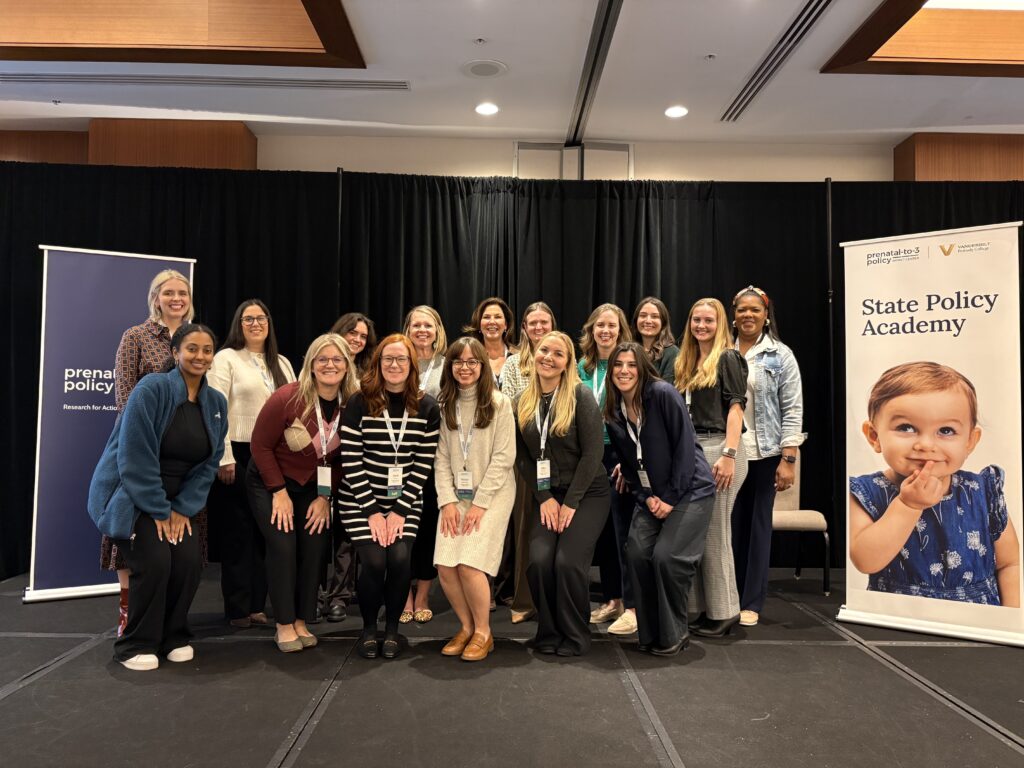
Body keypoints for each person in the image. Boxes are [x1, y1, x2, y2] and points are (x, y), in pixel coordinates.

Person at [88, 324, 227, 671]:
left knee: (189, 561)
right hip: (133, 497)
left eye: (207, 350)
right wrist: (159, 509)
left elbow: (209, 463)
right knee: (156, 562)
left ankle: (172, 635)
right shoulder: (152, 389)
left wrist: (182, 508)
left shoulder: (216, 402)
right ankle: (135, 643)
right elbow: (134, 457)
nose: (200, 356)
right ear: (176, 352)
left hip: (178, 503)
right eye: (192, 349)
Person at [849, 362, 1020, 607]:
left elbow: (1009, 563)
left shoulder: (982, 492)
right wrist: (908, 506)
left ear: (970, 441)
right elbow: (865, 560)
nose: (926, 445)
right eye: (906, 428)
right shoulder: (867, 493)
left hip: (979, 619)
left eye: (946, 431)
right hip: (900, 617)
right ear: (874, 436)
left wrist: (1011, 618)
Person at [248, 333, 358, 652]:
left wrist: (325, 497)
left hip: (315, 487)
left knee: (315, 547)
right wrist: (278, 491)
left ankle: (300, 620)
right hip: (270, 483)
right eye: (322, 359)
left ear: (347, 365)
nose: (329, 365)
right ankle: (283, 624)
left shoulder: (352, 404)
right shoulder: (287, 397)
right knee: (283, 547)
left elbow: (343, 459)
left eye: (337, 359)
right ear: (311, 364)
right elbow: (260, 446)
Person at [604, 342, 716, 655]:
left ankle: (675, 633)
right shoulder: (613, 412)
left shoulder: (663, 394)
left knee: (667, 557)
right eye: (618, 365)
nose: (624, 371)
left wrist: (669, 497)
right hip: (652, 496)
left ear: (642, 368)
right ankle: (651, 634)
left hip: (691, 490)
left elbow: (685, 448)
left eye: (631, 365)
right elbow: (629, 465)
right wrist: (646, 496)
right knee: (637, 552)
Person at [103, 268, 195, 637]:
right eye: (168, 292)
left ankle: (170, 618)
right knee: (133, 531)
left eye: (182, 293)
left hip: (183, 455)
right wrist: (143, 442)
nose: (176, 299)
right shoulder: (136, 336)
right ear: (155, 298)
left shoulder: (195, 338)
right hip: (142, 449)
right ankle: (128, 612)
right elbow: (125, 397)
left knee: (178, 542)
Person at [338, 334, 441, 659]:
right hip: (360, 500)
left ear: (412, 364)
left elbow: (422, 464)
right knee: (374, 561)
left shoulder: (427, 406)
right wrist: (372, 511)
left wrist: (398, 510)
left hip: (404, 502)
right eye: (388, 359)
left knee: (399, 560)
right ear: (378, 363)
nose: (394, 365)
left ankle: (393, 629)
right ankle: (370, 629)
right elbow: (351, 460)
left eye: (401, 359)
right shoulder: (358, 402)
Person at [515, 331, 608, 656]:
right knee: (539, 562)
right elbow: (522, 458)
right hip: (548, 495)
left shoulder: (581, 395)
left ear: (568, 363)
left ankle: (575, 635)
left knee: (568, 563)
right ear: (534, 353)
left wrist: (570, 503)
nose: (549, 358)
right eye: (544, 350)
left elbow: (593, 453)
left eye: (558, 354)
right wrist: (545, 498)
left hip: (588, 493)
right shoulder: (521, 401)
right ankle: (549, 631)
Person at [208, 300, 296, 629]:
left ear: (269, 323)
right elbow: (215, 408)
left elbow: (295, 408)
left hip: (276, 454)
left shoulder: (282, 363)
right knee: (238, 533)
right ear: (239, 324)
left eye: (261, 318)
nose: (256, 324)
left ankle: (258, 605)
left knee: (267, 534)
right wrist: (225, 456)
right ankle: (237, 608)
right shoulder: (226, 358)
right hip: (239, 453)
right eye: (248, 319)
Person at [433, 338, 517, 661]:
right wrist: (446, 501)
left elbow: (504, 458)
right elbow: (441, 458)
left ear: (482, 366)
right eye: (458, 362)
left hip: (493, 495)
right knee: (445, 565)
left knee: (469, 564)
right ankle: (466, 627)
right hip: (456, 496)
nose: (464, 368)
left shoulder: (499, 403)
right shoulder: (446, 404)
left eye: (472, 362)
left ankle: (484, 631)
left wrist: (480, 504)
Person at [730, 286, 806, 628]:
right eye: (742, 310)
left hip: (764, 453)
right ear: (734, 316)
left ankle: (750, 602)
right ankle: (725, 597)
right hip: (728, 454)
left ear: (765, 316)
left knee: (756, 529)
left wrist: (788, 459)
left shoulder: (781, 355)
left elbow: (792, 408)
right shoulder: (722, 350)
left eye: (755, 310)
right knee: (727, 528)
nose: (748, 315)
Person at [675, 298, 748, 638]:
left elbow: (736, 408)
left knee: (716, 533)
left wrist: (729, 454)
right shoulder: (688, 361)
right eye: (696, 320)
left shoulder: (728, 358)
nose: (701, 326)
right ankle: (703, 610)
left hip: (721, 448)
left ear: (720, 324)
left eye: (708, 320)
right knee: (698, 534)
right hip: (695, 450)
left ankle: (725, 612)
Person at [577, 304, 637, 636]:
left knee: (622, 531)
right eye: (600, 325)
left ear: (620, 330)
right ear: (592, 329)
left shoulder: (626, 364)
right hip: (589, 454)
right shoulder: (581, 366)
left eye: (612, 325)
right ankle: (612, 599)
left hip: (618, 451)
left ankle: (631, 604)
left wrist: (628, 460)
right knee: (601, 533)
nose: (605, 331)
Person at [498, 301, 557, 622]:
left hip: (560, 457)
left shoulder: (562, 355)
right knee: (524, 530)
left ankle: (555, 599)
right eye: (532, 323)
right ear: (523, 327)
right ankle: (524, 601)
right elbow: (511, 408)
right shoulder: (512, 365)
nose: (538, 328)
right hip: (524, 455)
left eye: (544, 322)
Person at [324, 311, 377, 621]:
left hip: (357, 457)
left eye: (362, 336)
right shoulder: (324, 363)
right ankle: (321, 593)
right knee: (323, 531)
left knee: (350, 532)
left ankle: (343, 594)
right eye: (352, 333)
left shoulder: (369, 373)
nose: (357, 340)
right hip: (323, 457)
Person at [401, 305, 447, 623]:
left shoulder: (446, 365)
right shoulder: (397, 359)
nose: (422, 330)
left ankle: (423, 595)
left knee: (428, 526)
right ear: (408, 329)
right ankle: (403, 594)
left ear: (437, 330)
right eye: (416, 325)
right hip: (398, 458)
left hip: (435, 457)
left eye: (428, 325)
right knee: (402, 528)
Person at [464, 297, 516, 388]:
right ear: (479, 324)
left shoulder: (519, 356)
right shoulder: (468, 356)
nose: (492, 321)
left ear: (506, 325)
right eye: (486, 317)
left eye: (497, 317)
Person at [632, 297, 679, 383]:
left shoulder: (672, 353)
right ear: (636, 320)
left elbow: (667, 389)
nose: (648, 321)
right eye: (643, 315)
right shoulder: (629, 350)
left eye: (655, 316)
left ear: (663, 322)